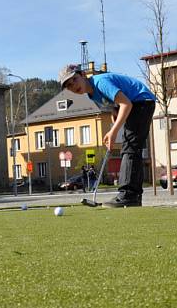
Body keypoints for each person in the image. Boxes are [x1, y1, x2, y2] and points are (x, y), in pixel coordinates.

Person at [59, 64, 156, 207]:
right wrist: (114, 116)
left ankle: (128, 195)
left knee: (130, 147)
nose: (73, 86)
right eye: (68, 85)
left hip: (142, 102)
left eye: (74, 79)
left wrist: (113, 131)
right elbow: (116, 107)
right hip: (136, 104)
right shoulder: (92, 95)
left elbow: (126, 104)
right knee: (131, 148)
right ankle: (133, 196)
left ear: (83, 74)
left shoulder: (100, 83)